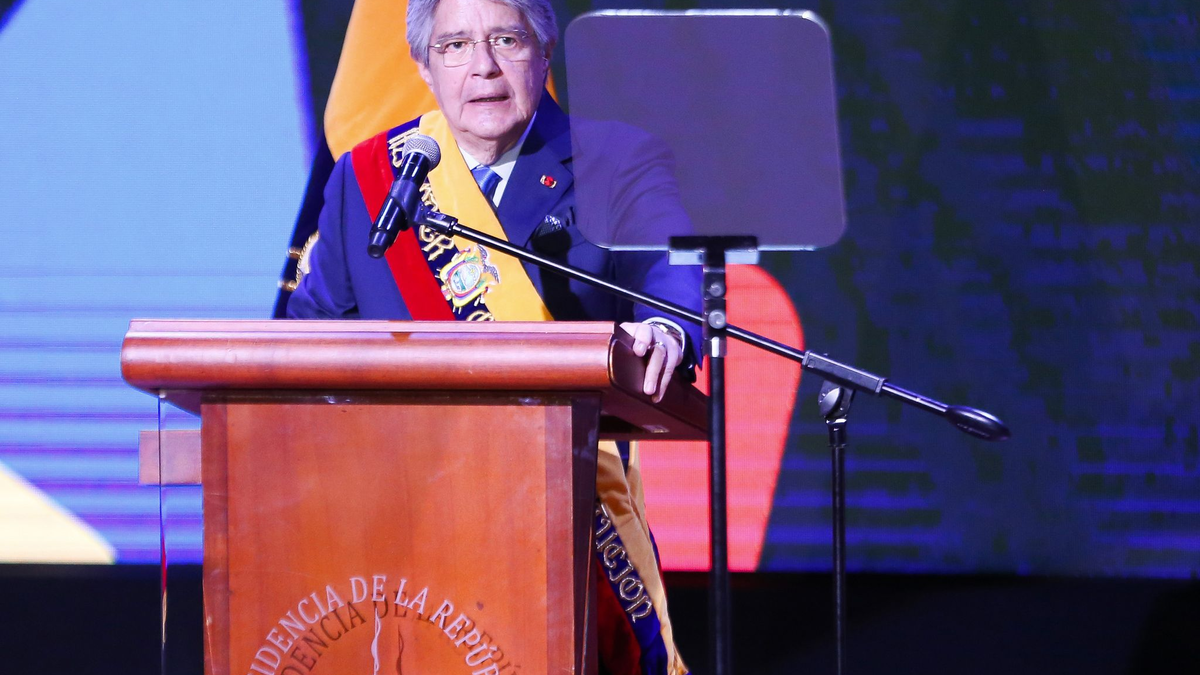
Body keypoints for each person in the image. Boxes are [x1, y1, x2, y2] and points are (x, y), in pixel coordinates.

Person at [287, 0, 698, 672]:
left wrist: (667, 328)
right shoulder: (366, 182)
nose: (481, 67)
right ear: (422, 65)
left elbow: (671, 278)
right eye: (453, 46)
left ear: (543, 52)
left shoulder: (616, 162)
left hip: (563, 526)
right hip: (403, 517)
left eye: (505, 39)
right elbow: (305, 343)